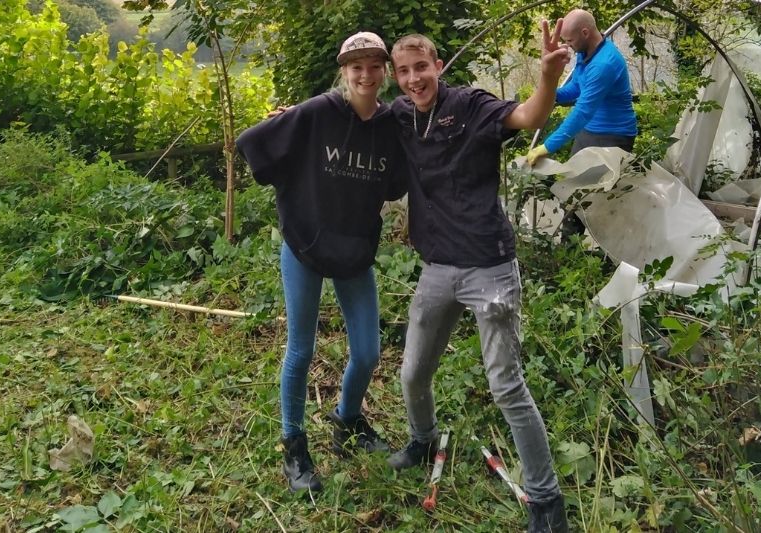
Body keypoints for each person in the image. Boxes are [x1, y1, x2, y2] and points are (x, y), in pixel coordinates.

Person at [385, 24, 570, 533]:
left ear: (438, 66)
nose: (413, 79)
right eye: (403, 71)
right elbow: (349, 117)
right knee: (413, 372)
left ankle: (547, 501)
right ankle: (423, 440)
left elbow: (531, 114)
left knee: (506, 385)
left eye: (421, 67)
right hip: (437, 267)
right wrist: (293, 119)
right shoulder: (400, 115)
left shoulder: (471, 105)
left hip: (489, 268)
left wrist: (548, 76)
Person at [235, 31, 408, 494]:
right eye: (357, 67)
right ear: (344, 71)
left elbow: (394, 185)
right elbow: (253, 142)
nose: (366, 75)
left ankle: (347, 420)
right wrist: (288, 123)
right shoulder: (317, 112)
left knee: (369, 352)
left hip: (353, 250)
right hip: (305, 245)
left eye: (375, 65)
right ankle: (294, 446)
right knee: (301, 350)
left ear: (385, 71)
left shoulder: (391, 124)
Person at [526, 9, 637, 240]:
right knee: (574, 192)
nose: (567, 46)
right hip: (589, 133)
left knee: (602, 198)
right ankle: (571, 247)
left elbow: (582, 112)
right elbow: (575, 89)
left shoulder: (605, 63)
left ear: (585, 32)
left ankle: (607, 252)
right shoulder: (584, 55)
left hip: (613, 137)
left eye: (569, 40)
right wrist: (548, 94)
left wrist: (546, 147)